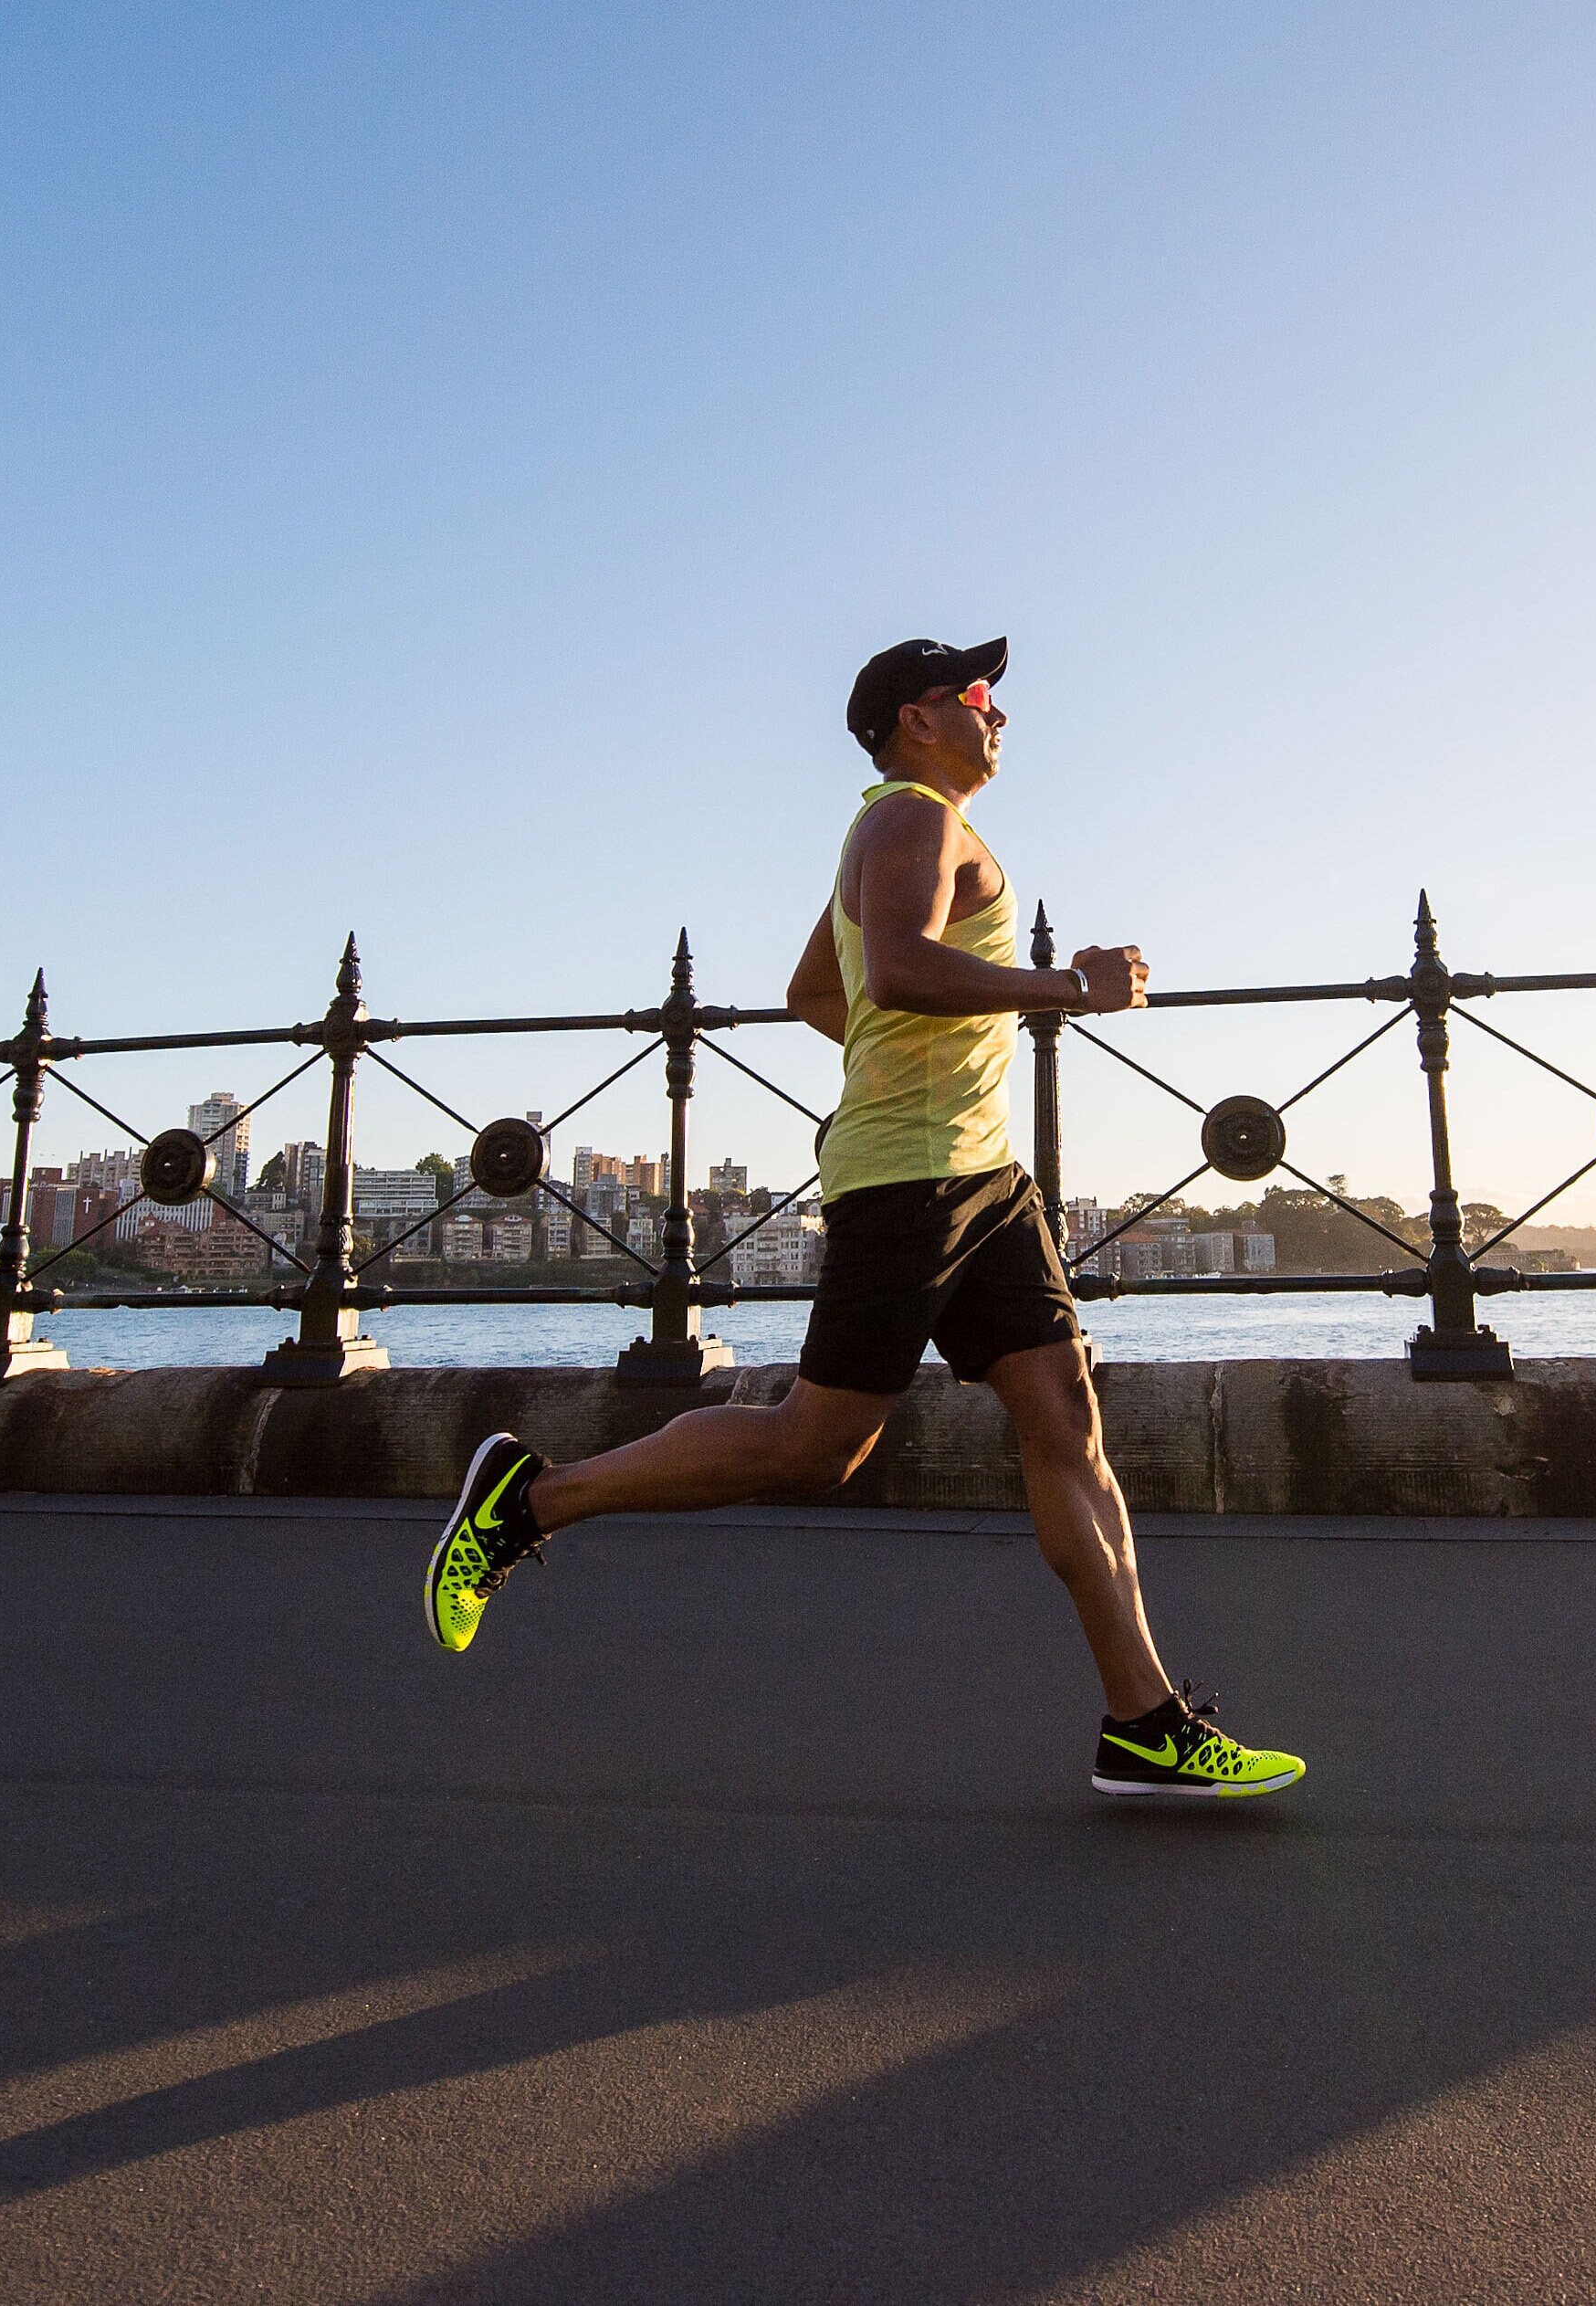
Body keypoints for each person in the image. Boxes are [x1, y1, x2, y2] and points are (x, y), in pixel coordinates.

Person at [420, 636, 1302, 1799]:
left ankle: (1146, 1720)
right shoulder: (909, 822)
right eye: (975, 695)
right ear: (910, 717)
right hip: (914, 1183)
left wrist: (914, 1069)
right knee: (814, 1445)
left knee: (1066, 1415)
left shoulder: (918, 826)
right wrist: (1065, 989)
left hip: (985, 1178)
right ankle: (527, 1498)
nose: (998, 714)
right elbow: (891, 971)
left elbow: (815, 993)